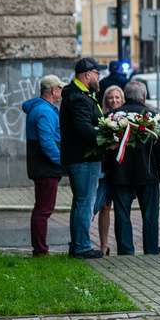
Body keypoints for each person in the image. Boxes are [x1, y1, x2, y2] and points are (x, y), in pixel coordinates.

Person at [105, 82, 160, 255]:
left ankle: (126, 251)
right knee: (150, 215)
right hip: (148, 173)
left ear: (125, 96)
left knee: (122, 214)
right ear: (144, 96)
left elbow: (104, 147)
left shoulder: (113, 116)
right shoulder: (152, 116)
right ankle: (150, 251)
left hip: (119, 174)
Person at [60, 57, 107, 259]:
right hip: (83, 159)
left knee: (80, 202)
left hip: (78, 158)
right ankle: (81, 247)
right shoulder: (79, 97)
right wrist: (106, 139)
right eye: (98, 73)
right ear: (88, 74)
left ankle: (78, 245)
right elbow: (83, 128)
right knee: (85, 202)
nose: (99, 77)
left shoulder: (76, 94)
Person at [22, 75, 67, 257]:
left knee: (41, 208)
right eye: (60, 89)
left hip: (42, 166)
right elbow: (47, 143)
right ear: (54, 90)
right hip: (46, 168)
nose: (61, 93)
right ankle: (40, 251)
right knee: (43, 210)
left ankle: (39, 249)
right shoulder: (45, 111)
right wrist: (63, 161)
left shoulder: (40, 108)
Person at [93, 85, 125, 255]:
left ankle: (123, 245)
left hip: (122, 170)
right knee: (104, 206)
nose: (113, 101)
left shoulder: (128, 118)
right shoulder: (102, 119)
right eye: (110, 98)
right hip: (106, 169)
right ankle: (104, 245)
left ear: (123, 99)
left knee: (121, 206)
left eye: (117, 98)